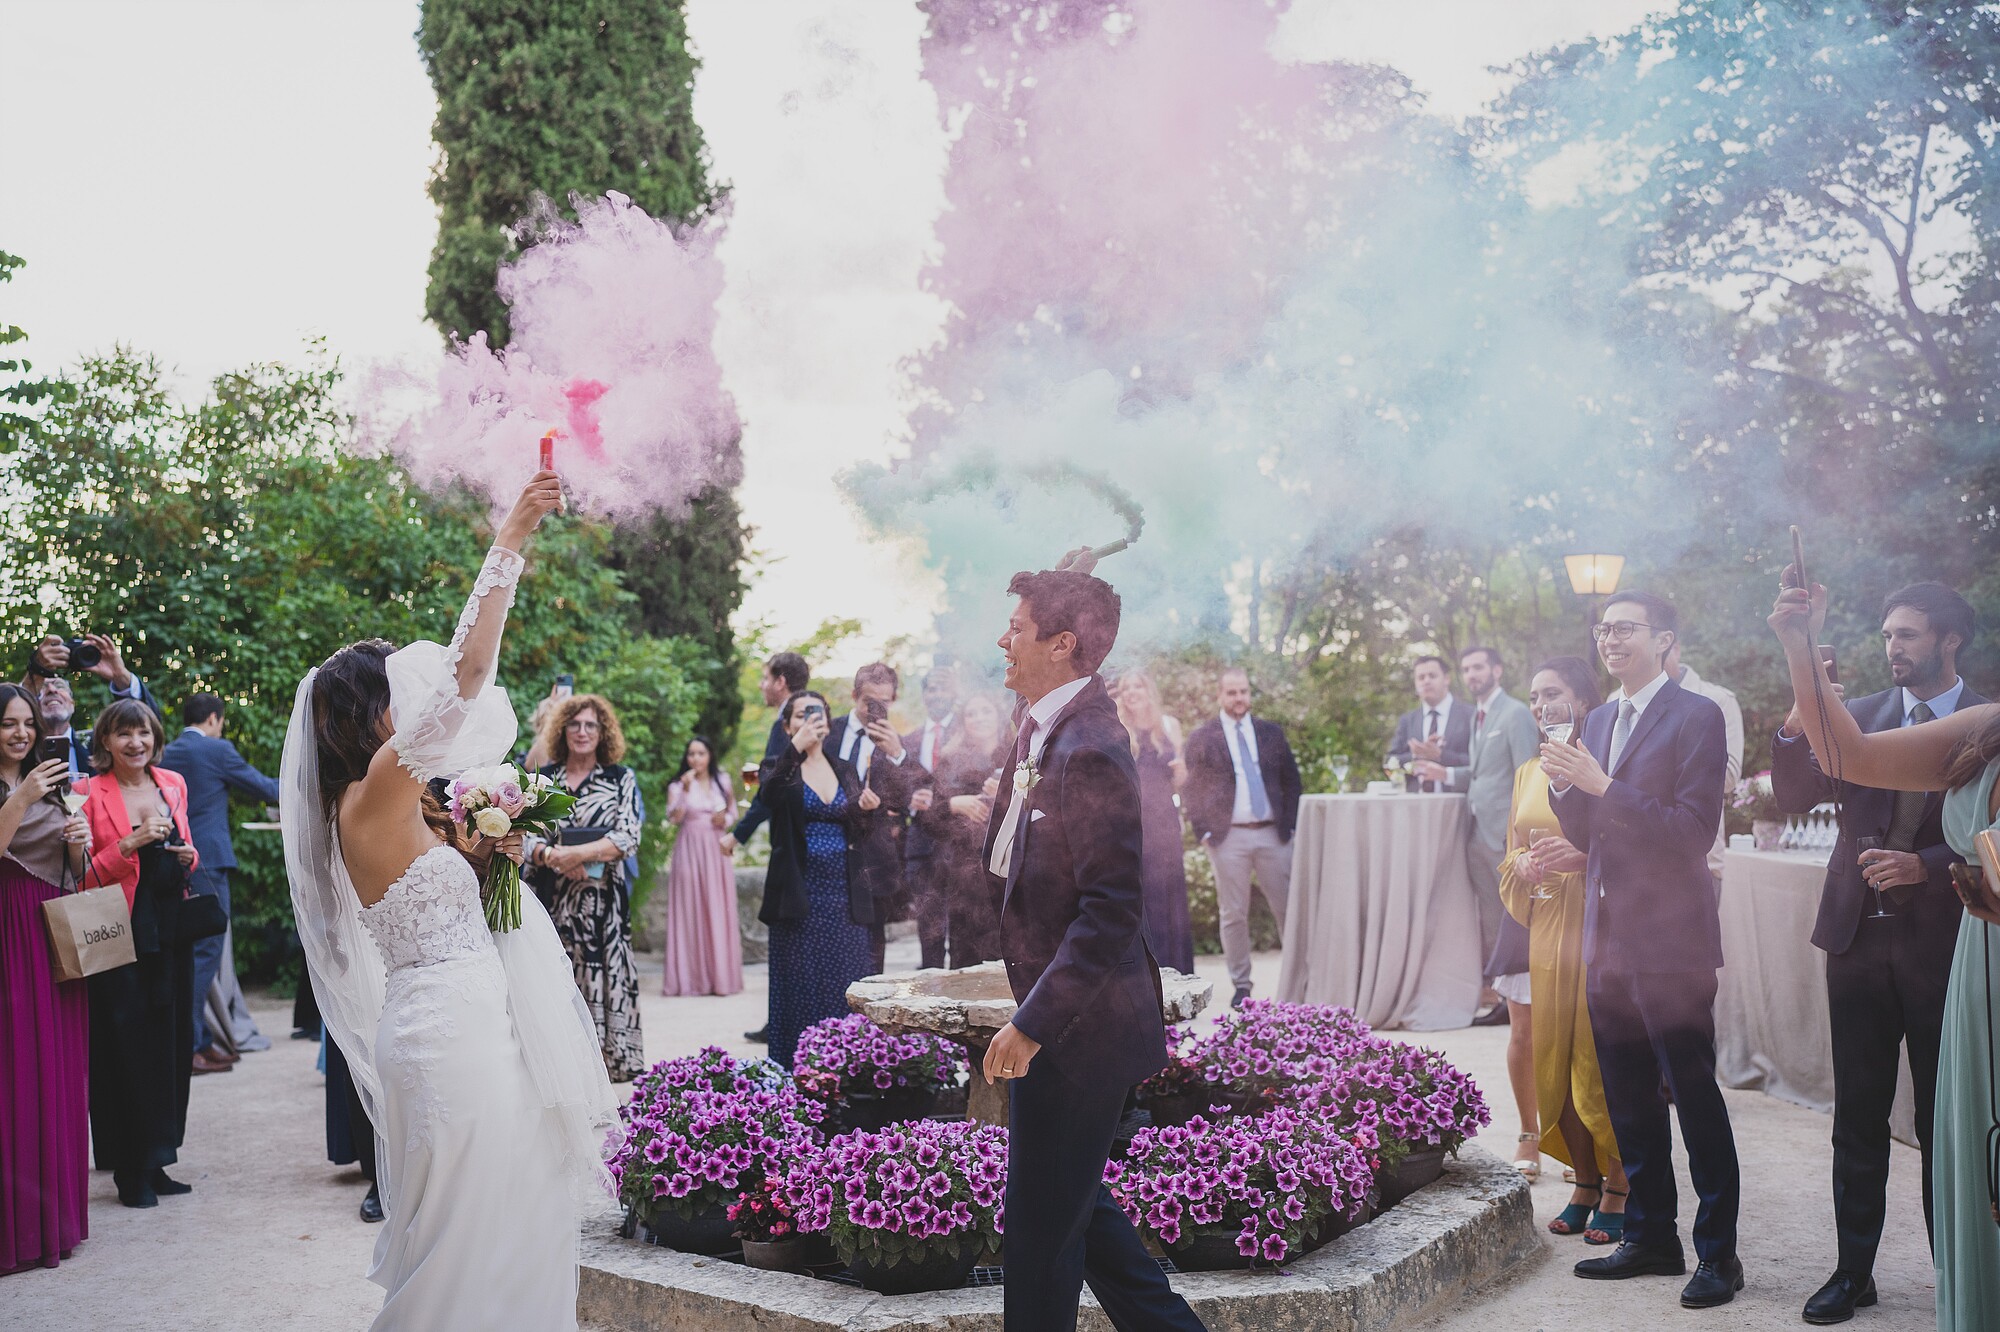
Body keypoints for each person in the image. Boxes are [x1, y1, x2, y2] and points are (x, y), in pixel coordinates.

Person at [281, 471, 616, 1331]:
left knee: (498, 1218)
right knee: (469, 1240)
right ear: (374, 716)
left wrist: (490, 848)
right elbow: (468, 672)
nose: (417, 701)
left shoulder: (377, 804)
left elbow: (439, 888)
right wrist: (512, 532)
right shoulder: (378, 790)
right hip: (453, 1034)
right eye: (398, 691)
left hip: (453, 1020)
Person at [978, 558, 1207, 1332]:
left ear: (1063, 644)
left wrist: (1031, 1024)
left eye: (1016, 628)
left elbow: (1110, 913)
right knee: (1081, 1213)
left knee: (1040, 1235)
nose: (1001, 640)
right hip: (1064, 1018)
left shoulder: (1095, 747)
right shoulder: (1047, 720)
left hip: (1083, 1030)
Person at [1769, 569, 2000, 1331]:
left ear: (1949, 639)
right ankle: (1851, 1273)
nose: (1893, 648)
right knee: (1858, 1115)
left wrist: (1925, 866)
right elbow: (1798, 793)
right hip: (1859, 939)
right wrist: (1803, 704)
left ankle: (1954, 1271)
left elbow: (1985, 837)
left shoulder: (1982, 721)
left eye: (1908, 634)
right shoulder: (1856, 714)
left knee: (1949, 1119)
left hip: (1952, 946)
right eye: (1888, 635)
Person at [1542, 590, 1742, 1308]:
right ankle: (1652, 1238)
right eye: (1603, 628)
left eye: (1624, 628)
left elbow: (1690, 832)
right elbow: (1589, 831)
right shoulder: (1596, 718)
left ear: (1664, 640)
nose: (1609, 638)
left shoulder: (1698, 716)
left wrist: (1602, 783)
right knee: (1628, 1099)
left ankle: (1719, 1255)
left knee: (1692, 1096)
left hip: (1673, 941)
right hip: (1607, 941)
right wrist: (1564, 782)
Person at [1498, 658, 1630, 1246]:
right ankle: (1583, 1179)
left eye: (1552, 693)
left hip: (1600, 919)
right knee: (1552, 1051)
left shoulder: (1603, 762)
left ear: (1583, 701)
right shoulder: (1528, 772)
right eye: (1533, 696)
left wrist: (1584, 860)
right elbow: (1511, 854)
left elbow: (1625, 835)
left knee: (1599, 1057)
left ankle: (1622, 1183)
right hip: (1547, 924)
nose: (1540, 705)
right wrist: (1522, 866)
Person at [78, 698, 201, 1208]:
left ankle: (159, 1157)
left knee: (171, 1043)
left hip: (169, 928)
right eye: (124, 734)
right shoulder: (86, 792)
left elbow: (188, 851)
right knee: (122, 1047)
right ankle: (129, 1170)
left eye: (144, 733)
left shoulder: (172, 784)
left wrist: (188, 855)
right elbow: (79, 874)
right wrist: (128, 845)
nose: (136, 743)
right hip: (115, 927)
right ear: (105, 741)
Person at [0, 682, 92, 1273]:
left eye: (27, 723)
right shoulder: (31, 785)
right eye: (8, 723)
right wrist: (21, 795)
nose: (21, 733)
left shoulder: (52, 785)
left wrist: (80, 845)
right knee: (14, 1069)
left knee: (54, 1069)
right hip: (6, 930)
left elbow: (76, 871)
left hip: (51, 929)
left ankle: (53, 1223)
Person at [1415, 645, 1541, 1031]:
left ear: (1497, 670)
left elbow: (1528, 773)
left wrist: (1521, 837)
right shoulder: (1479, 717)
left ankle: (1522, 1001)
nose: (1472, 675)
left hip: (1506, 834)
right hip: (1476, 831)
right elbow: (1483, 771)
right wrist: (1445, 774)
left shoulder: (1516, 713)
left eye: (1479, 667)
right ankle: (1503, 996)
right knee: (1492, 916)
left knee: (1516, 916)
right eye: (1467, 669)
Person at [525, 694, 647, 1082]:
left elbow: (628, 836)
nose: (582, 732)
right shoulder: (546, 779)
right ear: (561, 729)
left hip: (603, 908)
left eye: (591, 725)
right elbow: (525, 837)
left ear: (603, 731)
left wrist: (575, 855)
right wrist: (549, 856)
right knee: (555, 984)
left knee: (602, 980)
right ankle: (561, 1072)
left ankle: (602, 1074)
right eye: (575, 724)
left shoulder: (620, 778)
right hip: (552, 904)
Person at [160, 692, 282, 1073]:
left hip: (169, 860)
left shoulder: (166, 752)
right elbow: (264, 788)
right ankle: (190, 1045)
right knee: (206, 953)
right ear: (213, 719)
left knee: (186, 952)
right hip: (207, 862)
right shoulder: (216, 750)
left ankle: (199, 1038)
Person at [758, 690, 875, 1069]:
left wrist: (864, 810)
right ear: (788, 724)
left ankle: (848, 1071)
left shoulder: (844, 767)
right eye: (801, 714)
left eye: (818, 713)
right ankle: (797, 1073)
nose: (811, 719)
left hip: (844, 894)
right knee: (800, 986)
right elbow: (768, 796)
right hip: (799, 894)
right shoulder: (779, 766)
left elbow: (859, 830)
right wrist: (794, 750)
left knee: (845, 982)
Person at [1182, 667, 1302, 1007]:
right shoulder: (1203, 737)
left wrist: (1289, 826)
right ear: (1220, 695)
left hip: (1272, 837)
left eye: (1244, 692)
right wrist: (1203, 831)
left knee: (1288, 909)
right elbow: (1192, 789)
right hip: (1227, 838)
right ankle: (1242, 986)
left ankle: (1297, 982)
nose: (1239, 699)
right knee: (1233, 913)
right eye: (1232, 692)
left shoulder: (1270, 733)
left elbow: (1291, 781)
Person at [725, 651, 809, 1045]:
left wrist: (737, 834)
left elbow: (770, 790)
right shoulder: (794, 717)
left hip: (792, 846)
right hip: (790, 841)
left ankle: (782, 1023)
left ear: (781, 681)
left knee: (787, 935)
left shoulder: (792, 720)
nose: (761, 685)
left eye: (764, 678)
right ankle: (778, 1020)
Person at [826, 662, 923, 973]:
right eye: (870, 701)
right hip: (829, 850)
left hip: (874, 858)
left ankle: (866, 1021)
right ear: (855, 695)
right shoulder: (829, 732)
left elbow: (913, 798)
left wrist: (897, 754)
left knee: (872, 950)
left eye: (885, 701)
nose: (877, 708)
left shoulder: (898, 743)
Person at [915, 690, 1009, 967]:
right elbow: (927, 819)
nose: (979, 718)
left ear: (999, 716)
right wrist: (955, 803)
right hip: (965, 874)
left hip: (1008, 867)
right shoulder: (950, 759)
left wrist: (1005, 794)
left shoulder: (1019, 753)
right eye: (971, 713)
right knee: (966, 953)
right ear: (963, 722)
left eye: (985, 711)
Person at [1115, 670, 1195, 974]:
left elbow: (1180, 780)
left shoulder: (1169, 726)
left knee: (1170, 892)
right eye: (1126, 688)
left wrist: (1182, 773)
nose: (1132, 692)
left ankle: (1178, 970)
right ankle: (1146, 973)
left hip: (1165, 821)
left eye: (1138, 685)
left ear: (1150, 691)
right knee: (1142, 892)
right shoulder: (1118, 727)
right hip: (1132, 820)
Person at [660, 735, 742, 997]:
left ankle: (720, 979)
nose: (695, 759)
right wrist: (684, 791)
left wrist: (723, 818)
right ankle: (690, 979)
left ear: (709, 756)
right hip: (689, 849)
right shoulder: (678, 784)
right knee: (689, 908)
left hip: (716, 849)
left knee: (717, 907)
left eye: (701, 753)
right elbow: (674, 817)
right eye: (691, 754)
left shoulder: (723, 781)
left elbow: (733, 814)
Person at [1666, 641, 1745, 887]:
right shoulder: (1617, 699)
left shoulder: (1717, 699)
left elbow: (1730, 776)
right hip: (1631, 864)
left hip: (1699, 862)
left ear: (1675, 648)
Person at [901, 666, 962, 969]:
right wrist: (908, 799)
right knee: (929, 930)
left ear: (954, 693)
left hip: (960, 842)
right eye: (932, 689)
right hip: (921, 847)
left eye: (943, 687)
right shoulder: (907, 742)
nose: (937, 694)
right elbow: (896, 788)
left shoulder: (968, 733)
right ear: (924, 695)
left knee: (965, 931)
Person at [1388, 655, 1471, 791]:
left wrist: (1441, 755)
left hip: (1458, 804)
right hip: (1416, 804)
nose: (1426, 681)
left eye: (1432, 676)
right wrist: (1416, 756)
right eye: (1421, 678)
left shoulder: (1469, 715)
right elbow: (1390, 761)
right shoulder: (1408, 720)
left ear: (1446, 679)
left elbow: (1481, 763)